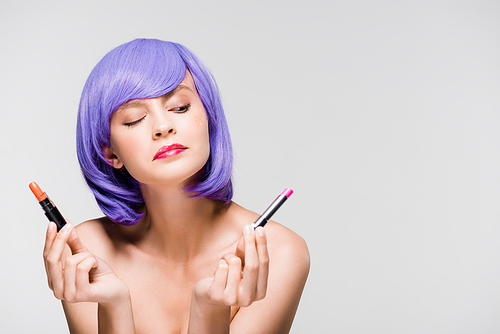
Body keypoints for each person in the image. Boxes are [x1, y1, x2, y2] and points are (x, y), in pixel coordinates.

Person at [42, 38, 309, 334]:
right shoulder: (87, 252)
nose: (162, 126)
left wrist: (209, 310)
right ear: (110, 152)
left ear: (207, 117)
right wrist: (114, 305)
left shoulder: (280, 253)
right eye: (134, 119)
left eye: (180, 107)